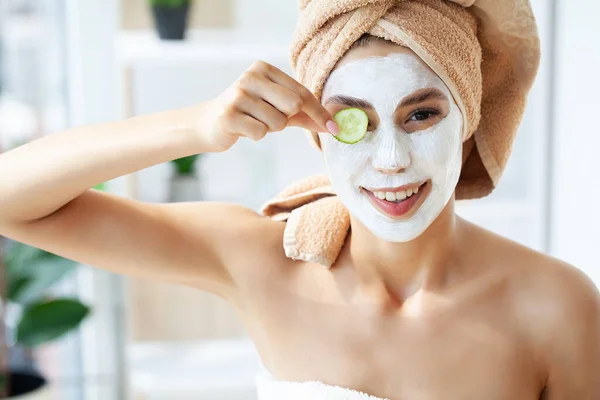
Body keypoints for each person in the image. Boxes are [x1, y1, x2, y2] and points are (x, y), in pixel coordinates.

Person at [1, 0, 599, 399]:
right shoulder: (257, 261)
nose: (390, 161)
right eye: (350, 123)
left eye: (421, 114)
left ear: (467, 119)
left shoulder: (556, 308)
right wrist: (198, 126)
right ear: (315, 132)